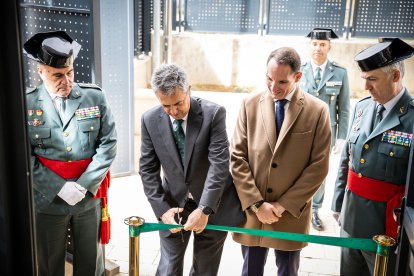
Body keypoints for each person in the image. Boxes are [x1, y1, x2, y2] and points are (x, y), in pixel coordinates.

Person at [230, 47, 331, 276]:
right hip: (254, 213)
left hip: (290, 214)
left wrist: (281, 205)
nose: (273, 87)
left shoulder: (318, 111)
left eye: (282, 82)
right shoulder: (249, 104)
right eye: (269, 78)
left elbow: (319, 166)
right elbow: (237, 157)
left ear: (298, 77)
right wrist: (256, 203)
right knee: (250, 271)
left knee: (287, 272)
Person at [23, 31, 117, 275]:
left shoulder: (94, 97)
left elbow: (109, 143)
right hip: (47, 199)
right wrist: (57, 187)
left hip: (87, 198)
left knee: (90, 262)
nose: (66, 81)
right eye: (57, 75)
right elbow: (23, 154)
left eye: (70, 73)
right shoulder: (27, 104)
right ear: (41, 72)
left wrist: (84, 184)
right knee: (48, 263)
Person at [139, 63, 243, 276]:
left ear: (189, 90)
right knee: (168, 269)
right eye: (166, 106)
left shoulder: (214, 114)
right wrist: (162, 210)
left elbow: (219, 164)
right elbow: (147, 169)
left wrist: (205, 209)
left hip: (213, 204)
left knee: (204, 271)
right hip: (173, 205)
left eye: (178, 103)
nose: (174, 111)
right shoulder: (149, 119)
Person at [331, 38, 414, 275]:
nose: (366, 87)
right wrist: (338, 203)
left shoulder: (412, 118)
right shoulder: (362, 107)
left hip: (386, 228)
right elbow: (347, 159)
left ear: (396, 76)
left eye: (373, 79)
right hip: (350, 218)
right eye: (364, 79)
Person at [300, 28, 350, 231]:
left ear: (329, 47)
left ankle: (314, 209)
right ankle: (299, 203)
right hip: (300, 132)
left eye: (322, 44)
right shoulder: (299, 70)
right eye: (314, 44)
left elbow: (344, 108)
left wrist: (341, 137)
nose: (318, 48)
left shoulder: (340, 72)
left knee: (320, 172)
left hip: (326, 134)